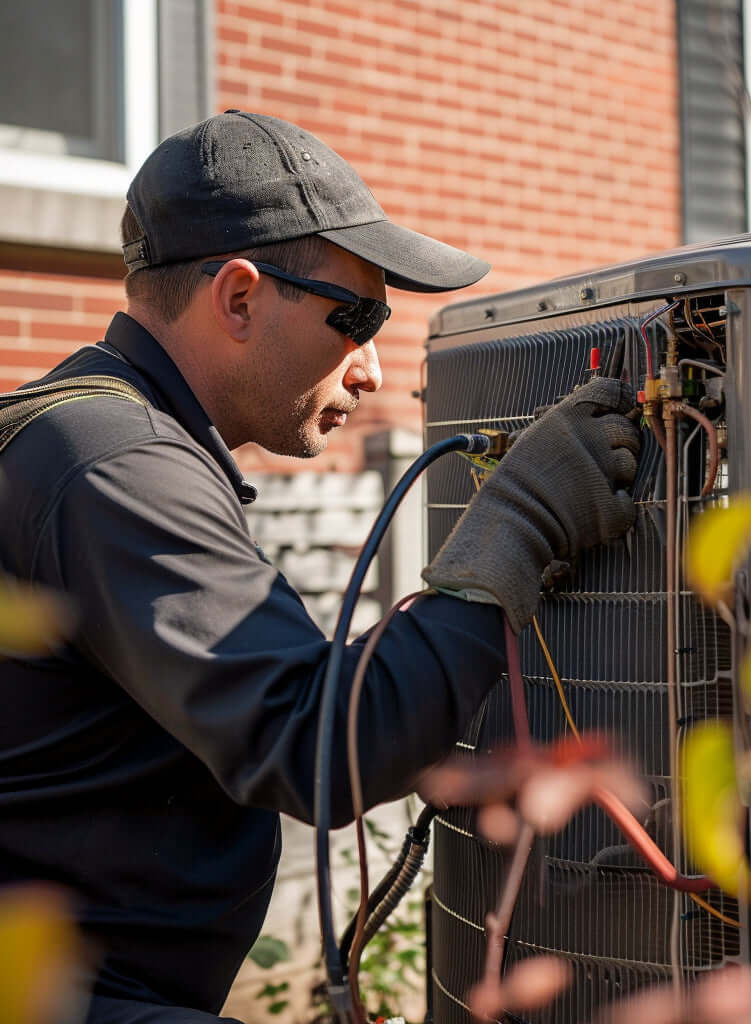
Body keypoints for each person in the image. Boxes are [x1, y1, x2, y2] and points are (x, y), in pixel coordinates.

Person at [0, 111, 640, 1023]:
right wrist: (519, 524)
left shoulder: (82, 427)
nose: (372, 369)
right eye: (358, 318)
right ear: (239, 297)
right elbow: (321, 743)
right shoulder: (114, 462)